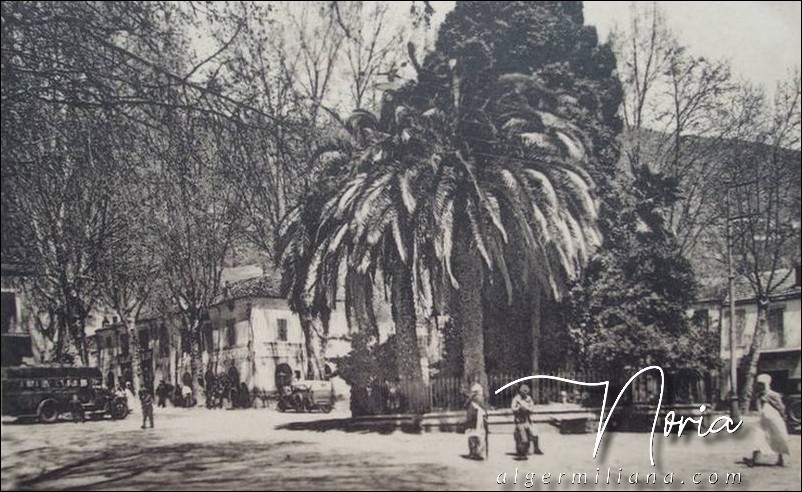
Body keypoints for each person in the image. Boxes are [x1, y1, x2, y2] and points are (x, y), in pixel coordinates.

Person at [745, 374, 790, 467]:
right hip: (763, 420)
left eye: (761, 384)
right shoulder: (759, 395)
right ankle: (753, 459)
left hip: (774, 419)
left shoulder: (773, 394)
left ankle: (781, 459)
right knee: (758, 437)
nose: (759, 386)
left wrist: (783, 416)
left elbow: (781, 407)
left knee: (778, 438)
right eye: (758, 384)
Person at [511, 384, 544, 458]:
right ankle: (522, 453)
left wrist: (526, 408)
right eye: (523, 391)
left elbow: (531, 408)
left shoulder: (529, 398)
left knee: (535, 433)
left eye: (526, 391)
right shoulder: (516, 399)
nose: (525, 393)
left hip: (528, 419)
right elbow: (513, 408)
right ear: (520, 392)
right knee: (523, 438)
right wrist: (519, 408)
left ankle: (536, 448)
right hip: (520, 420)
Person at [465, 383, 488, 460]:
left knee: (473, 435)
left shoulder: (472, 399)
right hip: (477, 419)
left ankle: (474, 452)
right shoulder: (479, 398)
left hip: (474, 419)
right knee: (478, 435)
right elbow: (483, 410)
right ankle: (477, 452)